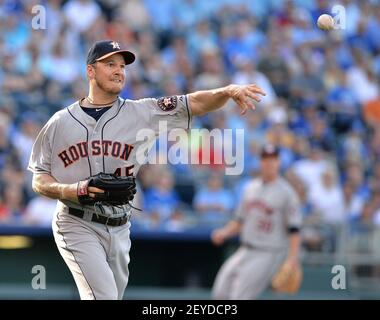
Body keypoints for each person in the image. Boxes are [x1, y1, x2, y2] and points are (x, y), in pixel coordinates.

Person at [27, 39, 266, 300]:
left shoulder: (142, 112)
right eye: (110, 64)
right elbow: (39, 180)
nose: (119, 71)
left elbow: (193, 103)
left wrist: (228, 91)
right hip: (76, 222)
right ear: (90, 71)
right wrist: (73, 190)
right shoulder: (60, 122)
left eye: (122, 66)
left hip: (120, 227)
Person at [211, 144, 302, 300]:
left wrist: (292, 259)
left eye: (273, 159)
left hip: (268, 251)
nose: (269, 163)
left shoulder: (287, 193)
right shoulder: (250, 188)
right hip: (245, 249)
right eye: (266, 159)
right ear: (260, 162)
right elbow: (240, 221)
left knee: (239, 297)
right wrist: (224, 233)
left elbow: (294, 230)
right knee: (220, 292)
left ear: (278, 162)